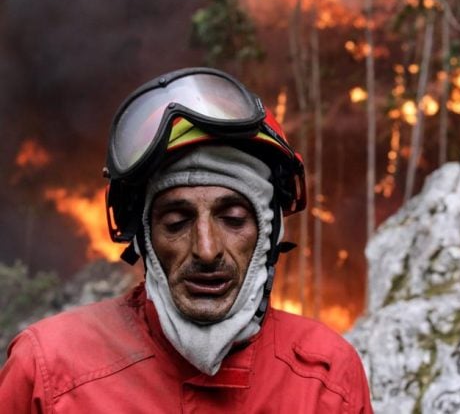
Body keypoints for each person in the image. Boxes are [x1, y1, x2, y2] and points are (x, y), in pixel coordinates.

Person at [0, 67, 373, 412]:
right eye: (177, 222)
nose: (206, 250)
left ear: (268, 233)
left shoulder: (327, 381)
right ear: (144, 236)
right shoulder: (47, 371)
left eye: (233, 219)